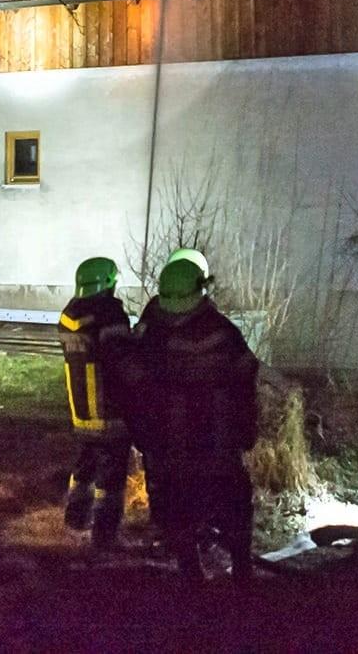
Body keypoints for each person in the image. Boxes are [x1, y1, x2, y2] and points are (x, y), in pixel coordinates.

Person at [128, 249, 260, 584]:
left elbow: (135, 388)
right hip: (214, 442)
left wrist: (144, 435)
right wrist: (246, 430)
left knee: (177, 509)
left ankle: (193, 574)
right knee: (232, 506)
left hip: (172, 444)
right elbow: (245, 383)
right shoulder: (222, 332)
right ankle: (240, 572)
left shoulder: (150, 333)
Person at [58, 256, 134, 549]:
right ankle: (105, 534)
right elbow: (121, 358)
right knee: (111, 477)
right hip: (110, 408)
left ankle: (75, 518)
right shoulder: (110, 314)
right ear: (108, 284)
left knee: (85, 466)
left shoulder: (69, 314)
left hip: (82, 411)